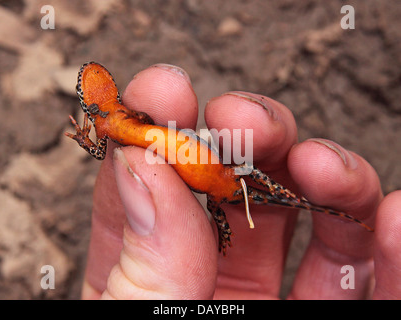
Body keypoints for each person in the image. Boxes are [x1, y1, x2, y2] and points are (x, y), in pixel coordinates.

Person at [80, 63, 401, 300]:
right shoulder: (109, 129)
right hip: (213, 186)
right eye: (92, 102)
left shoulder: (117, 119)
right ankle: (336, 214)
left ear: (113, 94)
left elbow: (143, 123)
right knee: (264, 191)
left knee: (277, 189)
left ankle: (334, 211)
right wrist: (88, 139)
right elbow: (103, 149)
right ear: (91, 108)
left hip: (222, 175)